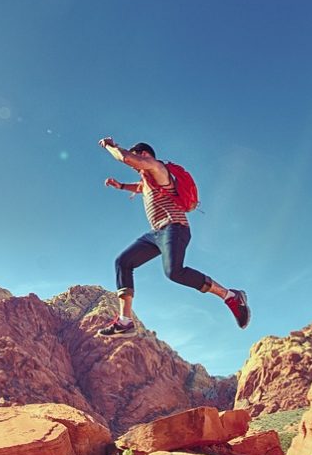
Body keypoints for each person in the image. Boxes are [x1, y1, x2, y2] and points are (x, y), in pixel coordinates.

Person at [97, 136, 250, 337]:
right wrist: (122, 186)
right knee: (123, 262)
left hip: (174, 228)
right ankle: (125, 322)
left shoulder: (157, 167)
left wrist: (111, 146)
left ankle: (231, 296)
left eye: (137, 159)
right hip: (156, 234)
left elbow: (125, 158)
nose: (136, 166)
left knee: (174, 272)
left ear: (144, 155)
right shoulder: (147, 180)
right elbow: (140, 187)